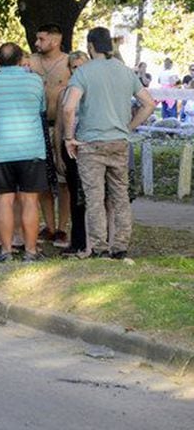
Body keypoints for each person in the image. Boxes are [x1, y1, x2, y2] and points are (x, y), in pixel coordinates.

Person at [62, 27, 156, 259]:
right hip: (119, 142)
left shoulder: (83, 73)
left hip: (90, 142)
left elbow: (68, 107)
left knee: (94, 197)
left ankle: (99, 247)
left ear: (90, 46)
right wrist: (129, 127)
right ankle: (120, 246)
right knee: (120, 196)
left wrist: (68, 137)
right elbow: (149, 104)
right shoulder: (126, 72)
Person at [0, 43, 47, 263]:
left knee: (4, 200)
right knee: (30, 201)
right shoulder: (35, 81)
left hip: (1, 150)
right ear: (20, 60)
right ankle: (31, 251)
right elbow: (41, 109)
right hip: (31, 149)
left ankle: (5, 251)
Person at [54, 51, 90, 255]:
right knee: (75, 195)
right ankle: (77, 240)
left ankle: (95, 240)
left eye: (81, 66)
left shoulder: (94, 89)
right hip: (70, 149)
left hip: (89, 146)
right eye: (74, 67)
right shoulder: (65, 92)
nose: (78, 70)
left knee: (93, 196)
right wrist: (59, 153)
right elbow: (59, 126)